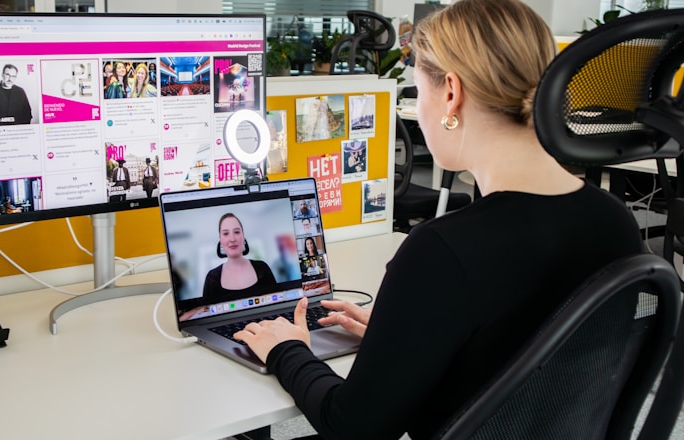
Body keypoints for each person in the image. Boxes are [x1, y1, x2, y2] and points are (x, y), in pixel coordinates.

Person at [232, 1, 643, 438]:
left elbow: (354, 427)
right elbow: (532, 358)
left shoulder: (443, 251)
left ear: (451, 92)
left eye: (416, 90)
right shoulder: (614, 221)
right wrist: (413, 338)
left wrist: (288, 350)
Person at [203, 213, 277, 301]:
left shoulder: (262, 268)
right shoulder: (212, 278)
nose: (232, 239)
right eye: (226, 233)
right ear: (220, 240)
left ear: (243, 236)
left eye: (237, 232)